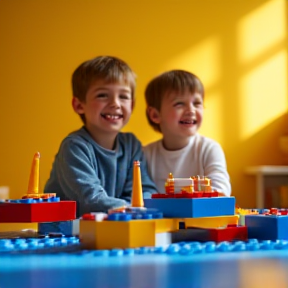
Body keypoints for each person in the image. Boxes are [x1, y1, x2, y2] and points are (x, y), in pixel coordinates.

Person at [44, 56, 157, 216]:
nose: (115, 103)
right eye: (103, 95)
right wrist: (135, 208)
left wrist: (141, 207)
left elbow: (144, 190)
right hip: (66, 233)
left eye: (123, 96)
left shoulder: (131, 145)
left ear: (132, 105)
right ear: (79, 105)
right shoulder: (74, 147)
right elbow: (91, 200)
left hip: (113, 226)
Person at [143, 69, 231, 196]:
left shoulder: (209, 149)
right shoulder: (146, 155)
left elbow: (221, 191)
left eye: (197, 103)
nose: (191, 110)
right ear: (155, 115)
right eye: (179, 104)